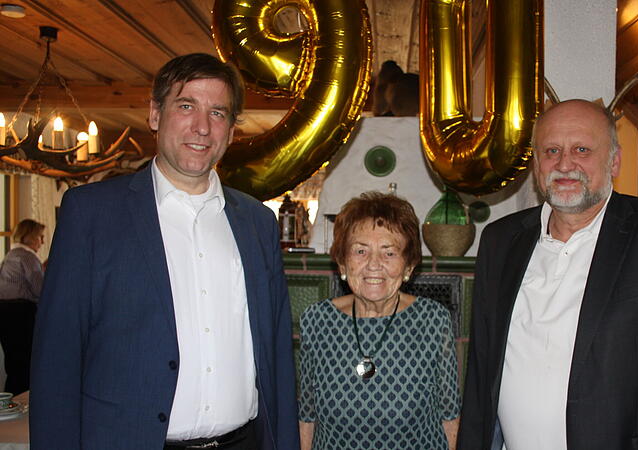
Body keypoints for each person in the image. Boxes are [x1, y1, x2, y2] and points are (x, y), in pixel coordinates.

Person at [30, 53, 300, 450]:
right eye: (186, 106)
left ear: (231, 130)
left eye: (218, 113)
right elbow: (57, 357)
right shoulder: (91, 214)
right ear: (155, 114)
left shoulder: (258, 222)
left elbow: (277, 354)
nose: (202, 127)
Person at [457, 99, 638, 450]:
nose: (564, 164)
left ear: (614, 161)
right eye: (551, 151)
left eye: (582, 149)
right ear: (536, 164)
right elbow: (481, 371)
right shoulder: (500, 240)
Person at [298, 192, 461, 450]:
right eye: (360, 251)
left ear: (408, 267)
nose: (373, 264)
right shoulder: (317, 321)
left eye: (389, 253)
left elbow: (450, 416)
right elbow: (307, 416)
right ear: (342, 263)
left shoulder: (433, 320)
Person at [0, 219, 45, 394]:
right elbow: (40, 289)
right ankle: (24, 401)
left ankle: (12, 400)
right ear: (30, 236)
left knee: (14, 364)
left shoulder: (11, 255)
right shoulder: (27, 256)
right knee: (26, 363)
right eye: (40, 237)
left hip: (5, 313)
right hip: (20, 314)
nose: (42, 242)